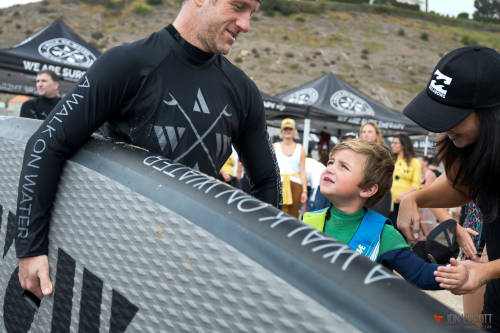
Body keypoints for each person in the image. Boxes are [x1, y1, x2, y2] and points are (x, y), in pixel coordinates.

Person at [15, 0, 282, 302]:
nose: (245, 24)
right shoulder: (128, 63)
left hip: (187, 274)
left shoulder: (243, 90)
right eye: (237, 6)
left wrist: (255, 269)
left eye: (252, 13)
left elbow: (268, 182)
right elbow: (47, 144)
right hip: (110, 264)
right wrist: (31, 248)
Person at [397, 46, 500, 330]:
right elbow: (463, 186)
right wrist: (414, 199)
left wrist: (485, 271)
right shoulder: (479, 148)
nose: (441, 129)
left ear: (491, 114)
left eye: (451, 117)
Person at [302, 139, 467, 290]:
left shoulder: (384, 234)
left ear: (367, 189)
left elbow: (421, 274)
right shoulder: (306, 221)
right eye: (331, 162)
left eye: (343, 166)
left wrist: (460, 273)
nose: (329, 168)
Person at [273, 118, 307, 218]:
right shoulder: (275, 146)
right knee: (275, 211)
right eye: (285, 129)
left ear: (294, 131)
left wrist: (305, 191)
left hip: (296, 185)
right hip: (278, 183)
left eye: (290, 129)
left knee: (293, 215)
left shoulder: (300, 149)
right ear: (281, 131)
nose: (288, 131)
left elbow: (302, 171)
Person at [359, 121, 391, 217]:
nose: (366, 135)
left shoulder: (384, 152)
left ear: (377, 135)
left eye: (369, 132)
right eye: (363, 132)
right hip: (361, 192)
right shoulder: (357, 151)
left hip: (379, 194)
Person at [389, 134, 421, 228]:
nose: (392, 145)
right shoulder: (390, 159)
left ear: (403, 145)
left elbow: (416, 185)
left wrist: (403, 195)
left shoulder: (414, 162)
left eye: (395, 143)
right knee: (388, 228)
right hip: (388, 202)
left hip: (403, 202)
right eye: (392, 143)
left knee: (401, 229)